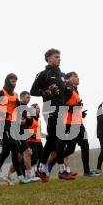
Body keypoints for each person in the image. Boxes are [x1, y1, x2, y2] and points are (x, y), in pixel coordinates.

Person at [0, 74, 32, 187]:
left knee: (5, 152)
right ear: (7, 81)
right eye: (12, 81)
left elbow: (18, 107)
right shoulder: (1, 93)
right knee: (15, 149)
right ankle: (21, 177)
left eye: (15, 82)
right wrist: (3, 113)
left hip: (12, 124)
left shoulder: (15, 95)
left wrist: (24, 115)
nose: (14, 84)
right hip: (3, 124)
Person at [30, 48, 65, 181]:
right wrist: (46, 92)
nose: (59, 59)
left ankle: (41, 168)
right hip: (49, 109)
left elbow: (63, 94)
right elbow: (32, 90)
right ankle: (62, 170)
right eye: (56, 57)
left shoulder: (62, 75)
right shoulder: (44, 74)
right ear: (48, 58)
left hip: (61, 109)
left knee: (51, 140)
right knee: (59, 138)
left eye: (59, 57)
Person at [58, 72, 96, 178]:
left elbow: (73, 106)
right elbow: (62, 105)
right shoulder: (67, 89)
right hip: (69, 124)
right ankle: (54, 162)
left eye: (77, 76)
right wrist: (75, 108)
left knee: (85, 145)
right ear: (68, 79)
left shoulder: (75, 90)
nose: (77, 78)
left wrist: (81, 112)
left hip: (78, 123)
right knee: (70, 149)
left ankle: (87, 171)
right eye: (74, 76)